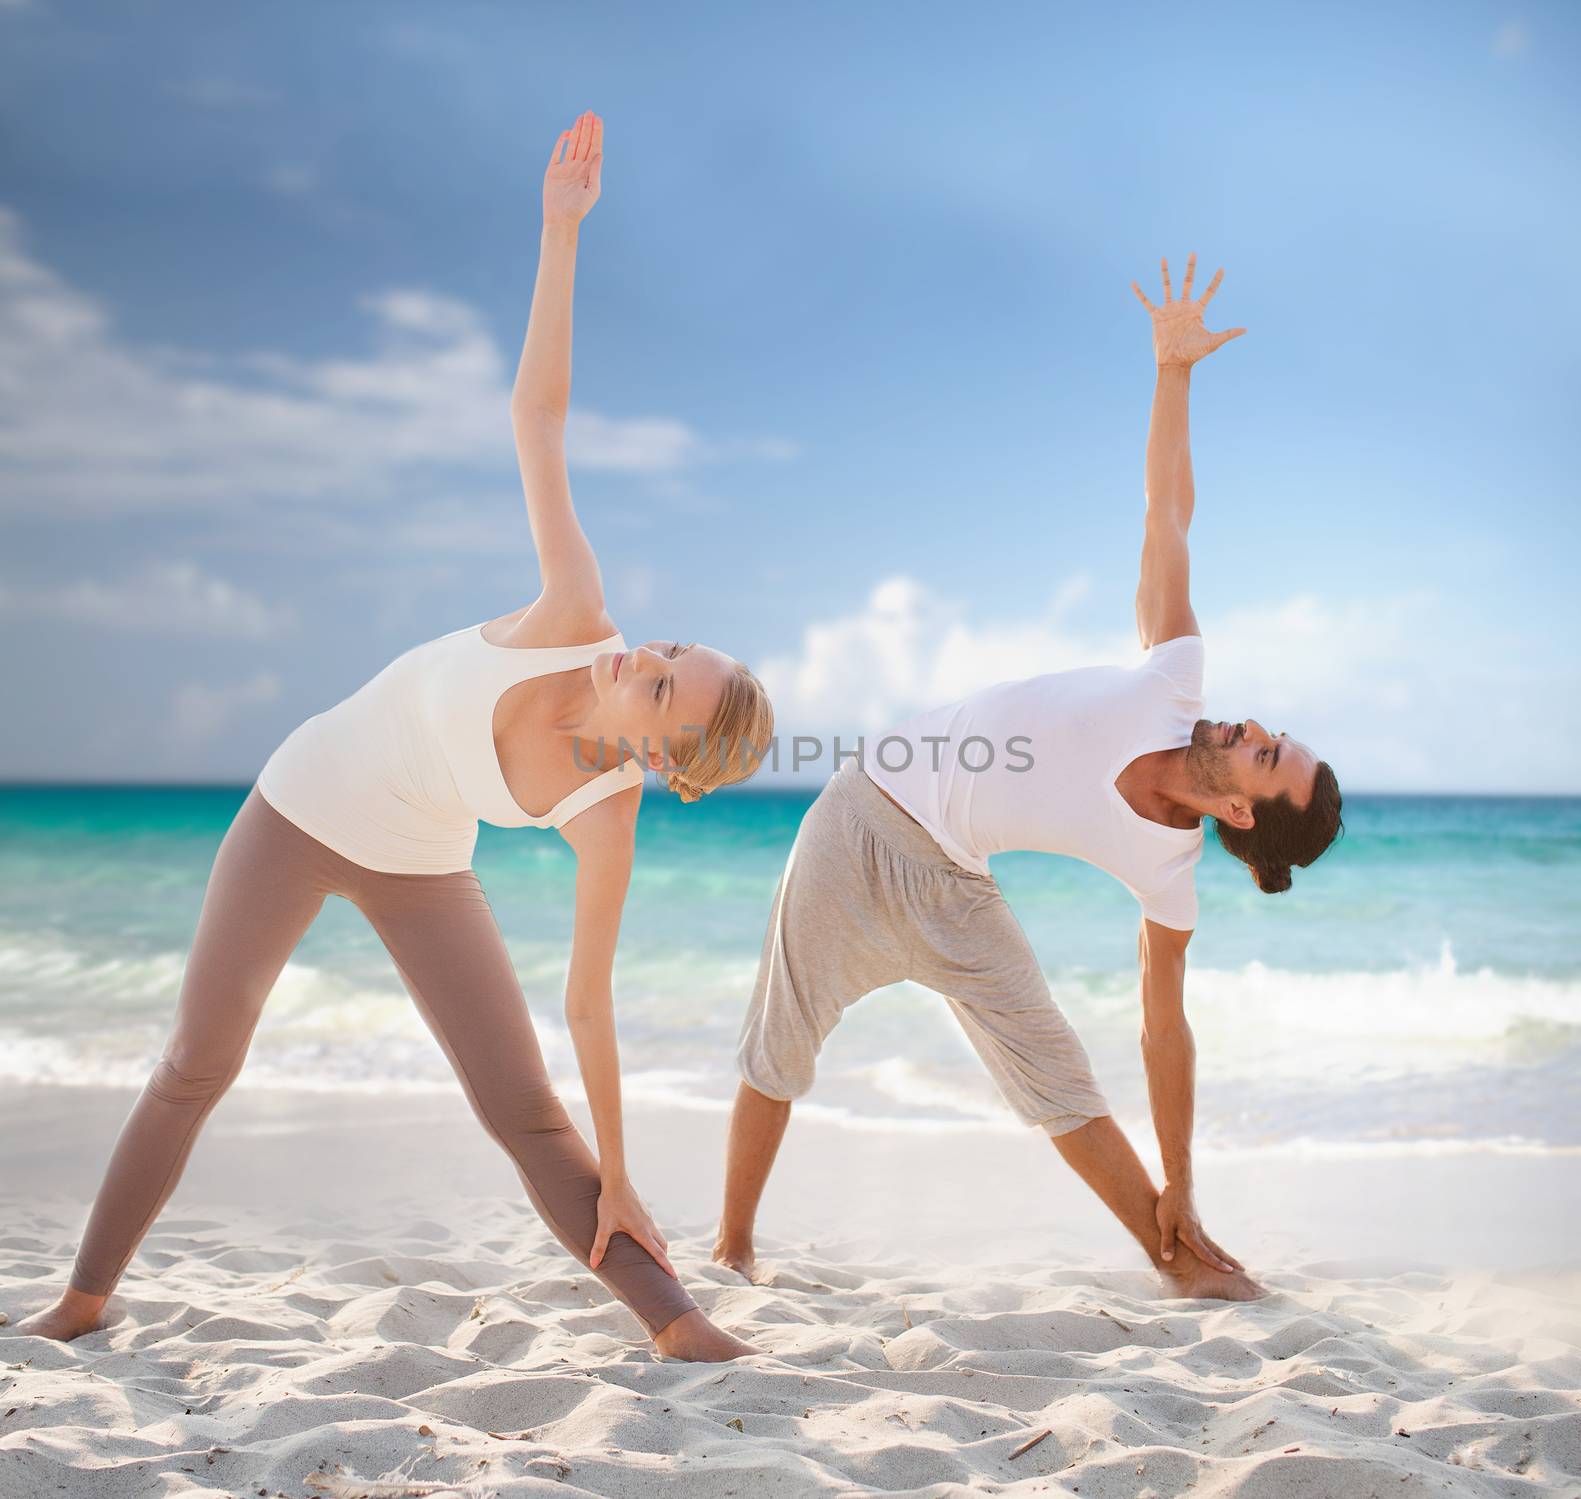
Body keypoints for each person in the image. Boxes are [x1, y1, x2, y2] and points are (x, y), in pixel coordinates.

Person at [15, 111, 773, 1361]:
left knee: (526, 1112)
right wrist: (560, 233)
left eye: (661, 688)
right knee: (198, 1063)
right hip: (301, 805)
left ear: (658, 757)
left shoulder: (609, 814)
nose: (642, 656)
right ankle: (86, 1297)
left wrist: (625, 1171)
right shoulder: (574, 614)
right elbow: (538, 418)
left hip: (419, 859)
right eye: (670, 650)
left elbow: (591, 1006)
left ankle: (681, 1329)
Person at [715, 255, 1342, 1299]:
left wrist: (1181, 1177)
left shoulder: (1169, 872)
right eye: (1269, 733)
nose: (1253, 726)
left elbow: (1162, 1027)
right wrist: (1173, 371)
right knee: (777, 1047)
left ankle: (1178, 1253)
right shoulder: (1173, 675)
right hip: (860, 814)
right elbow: (1166, 514)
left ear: (1240, 807)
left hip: (955, 885)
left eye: (1266, 754)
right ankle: (731, 1251)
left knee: (1062, 1081)